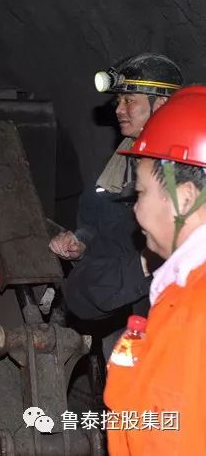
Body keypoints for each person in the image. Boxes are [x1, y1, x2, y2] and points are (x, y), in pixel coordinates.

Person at [51, 53, 182, 354]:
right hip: (124, 304)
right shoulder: (121, 162)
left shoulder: (183, 169)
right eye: (119, 101)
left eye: (130, 100)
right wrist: (81, 241)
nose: (119, 109)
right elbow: (97, 220)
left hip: (164, 309)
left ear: (161, 104)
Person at [104, 85, 206, 454]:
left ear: (184, 197)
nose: (135, 209)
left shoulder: (196, 308)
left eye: (141, 193)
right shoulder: (182, 290)